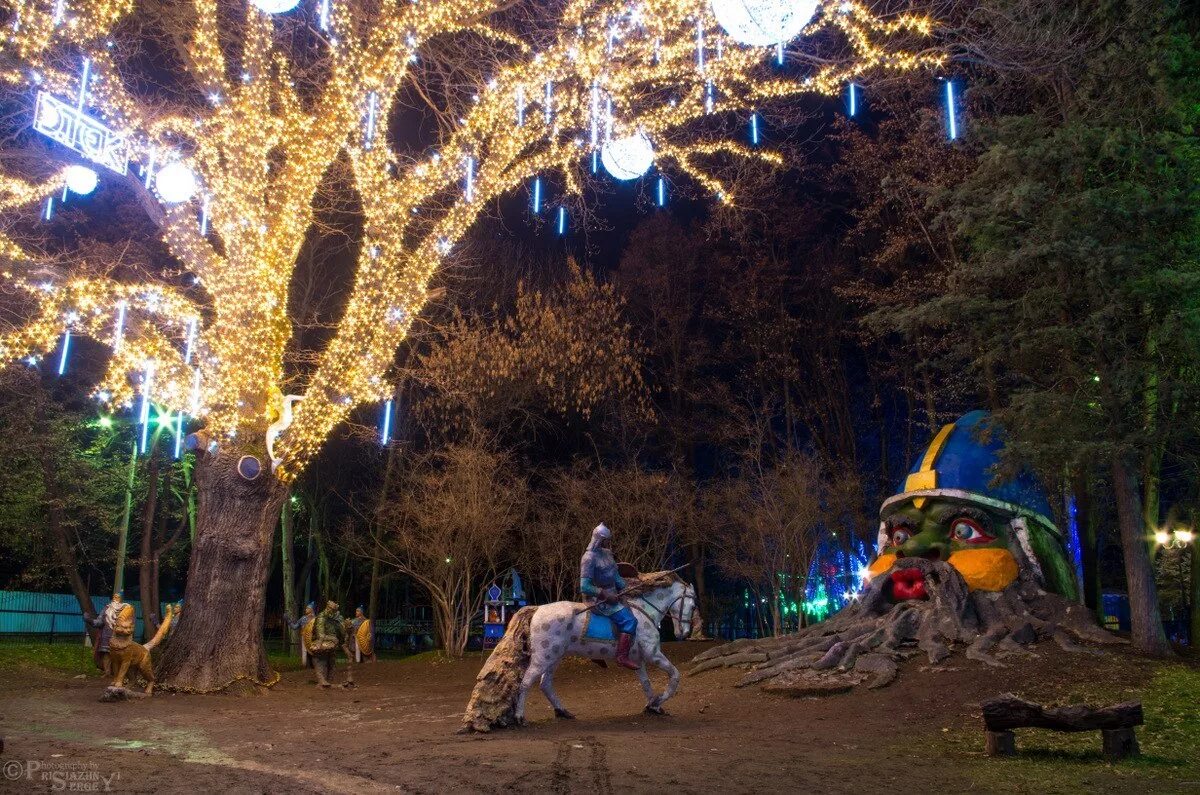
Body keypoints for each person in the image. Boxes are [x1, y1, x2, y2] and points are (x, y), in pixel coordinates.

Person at [580, 523, 639, 670]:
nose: (608, 542)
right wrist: (604, 594)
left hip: (615, 593)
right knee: (630, 621)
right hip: (600, 599)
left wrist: (627, 587)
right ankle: (621, 656)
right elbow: (584, 586)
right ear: (598, 539)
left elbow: (616, 576)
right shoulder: (588, 558)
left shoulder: (607, 553)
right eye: (606, 540)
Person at [309, 600, 353, 688]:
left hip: (334, 643)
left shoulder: (338, 618)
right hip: (321, 641)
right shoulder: (321, 617)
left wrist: (348, 629)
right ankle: (321, 679)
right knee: (320, 657)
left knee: (332, 661)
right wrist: (332, 638)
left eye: (333, 610)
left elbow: (343, 635)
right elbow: (320, 634)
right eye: (330, 609)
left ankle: (332, 680)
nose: (330, 611)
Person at [84, 591, 126, 676]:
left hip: (119, 636)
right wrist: (90, 620)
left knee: (118, 655)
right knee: (107, 654)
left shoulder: (126, 610)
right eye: (115, 597)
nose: (116, 599)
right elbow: (99, 622)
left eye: (118, 597)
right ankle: (107, 672)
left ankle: (118, 674)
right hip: (106, 636)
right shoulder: (107, 609)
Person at [287, 602, 316, 667]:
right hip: (306, 636)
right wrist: (288, 620)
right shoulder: (304, 618)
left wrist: (288, 620)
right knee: (306, 651)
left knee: (310, 650)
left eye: (308, 608)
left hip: (312, 637)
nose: (306, 609)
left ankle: (308, 665)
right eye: (306, 608)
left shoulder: (315, 619)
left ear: (312, 609)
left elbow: (294, 627)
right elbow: (294, 627)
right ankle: (305, 665)